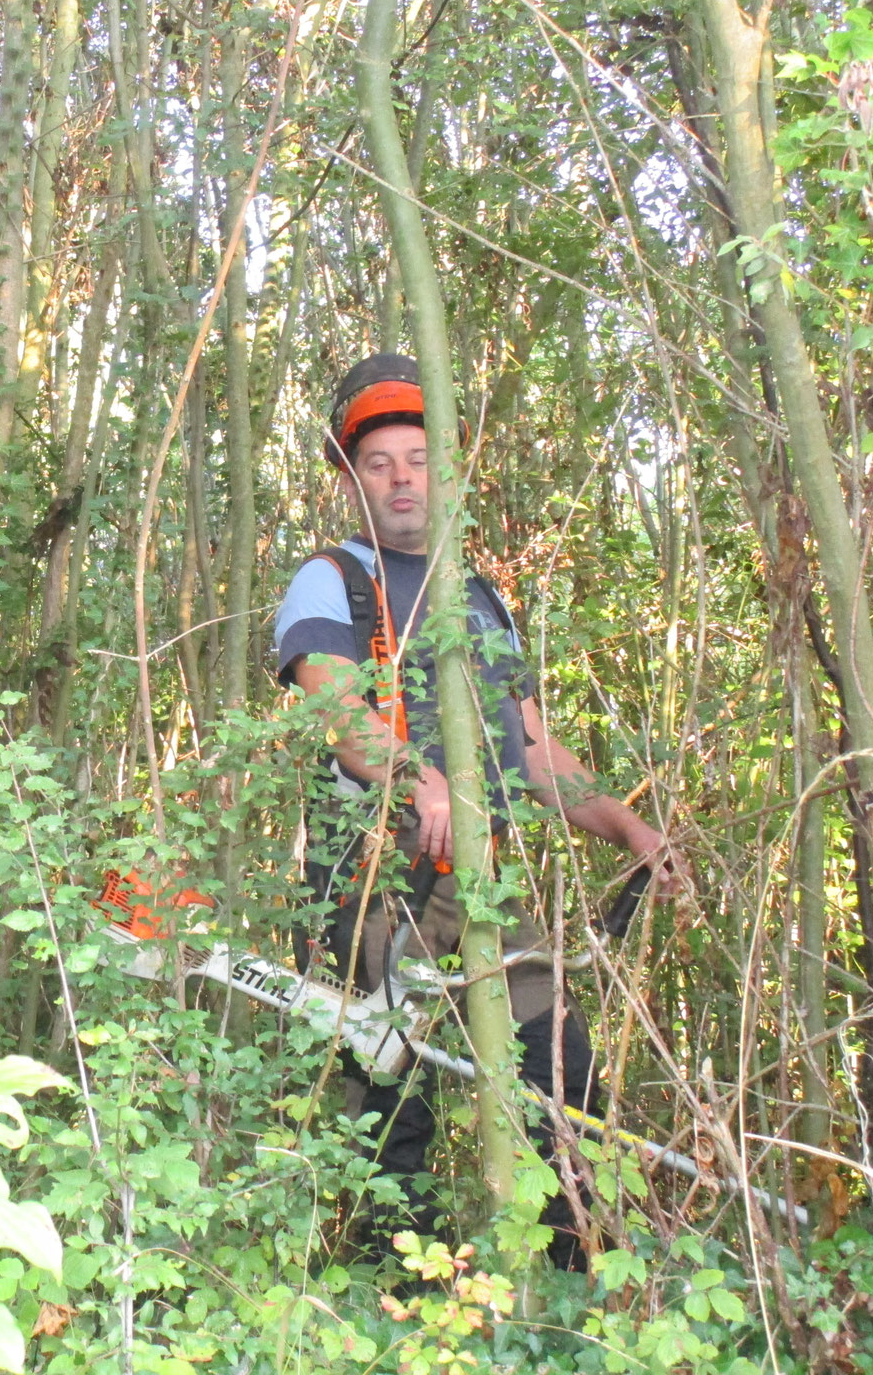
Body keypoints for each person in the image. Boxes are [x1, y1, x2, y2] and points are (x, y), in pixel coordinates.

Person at [273, 352, 687, 1267]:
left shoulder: (480, 598)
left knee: (566, 1090)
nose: (402, 478)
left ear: (447, 467)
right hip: (375, 882)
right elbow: (341, 717)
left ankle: (586, 1295)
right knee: (394, 1113)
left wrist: (626, 825)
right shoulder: (330, 581)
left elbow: (533, 752)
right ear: (352, 477)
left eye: (418, 457)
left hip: (483, 887)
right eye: (378, 462)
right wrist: (421, 780)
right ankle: (394, 1314)